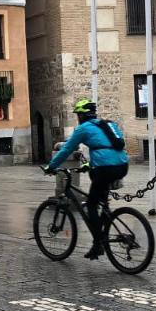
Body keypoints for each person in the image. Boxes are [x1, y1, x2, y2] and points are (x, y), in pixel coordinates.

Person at [45, 98, 130, 259]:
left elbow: (66, 149)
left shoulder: (83, 128)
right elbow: (109, 149)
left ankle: (98, 244)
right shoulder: (108, 124)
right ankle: (105, 221)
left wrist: (51, 166)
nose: (78, 118)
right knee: (101, 201)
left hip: (105, 169)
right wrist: (89, 164)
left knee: (91, 205)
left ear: (82, 116)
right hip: (122, 165)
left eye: (78, 115)